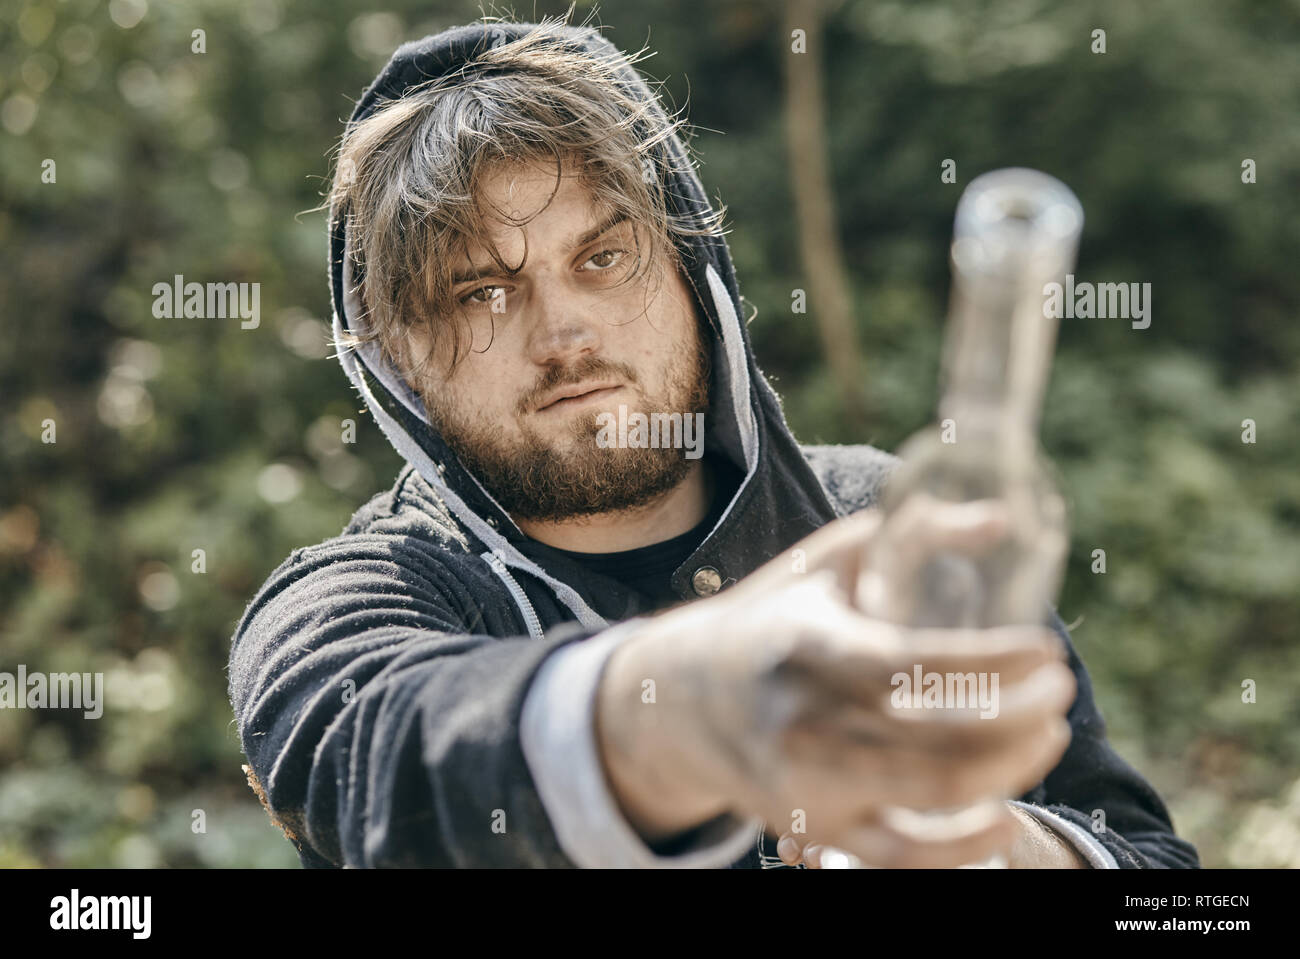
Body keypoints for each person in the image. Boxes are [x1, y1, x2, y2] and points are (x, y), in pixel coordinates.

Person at [226, 16, 1199, 869]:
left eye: (604, 257)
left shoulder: (889, 523)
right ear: (400, 361)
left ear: (693, 275)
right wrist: (704, 705)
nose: (563, 331)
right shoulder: (351, 600)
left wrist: (998, 851)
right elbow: (381, 763)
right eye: (481, 291)